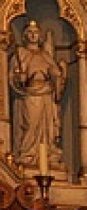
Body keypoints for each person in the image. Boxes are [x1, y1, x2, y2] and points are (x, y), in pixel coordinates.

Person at [9, 20, 65, 169]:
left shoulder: (45, 55)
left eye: (36, 32)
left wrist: (58, 74)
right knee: (31, 124)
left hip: (46, 93)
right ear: (25, 36)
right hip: (30, 94)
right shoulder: (20, 54)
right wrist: (19, 78)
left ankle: (47, 155)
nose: (33, 35)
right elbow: (13, 77)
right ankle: (27, 154)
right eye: (30, 32)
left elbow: (55, 73)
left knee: (47, 128)